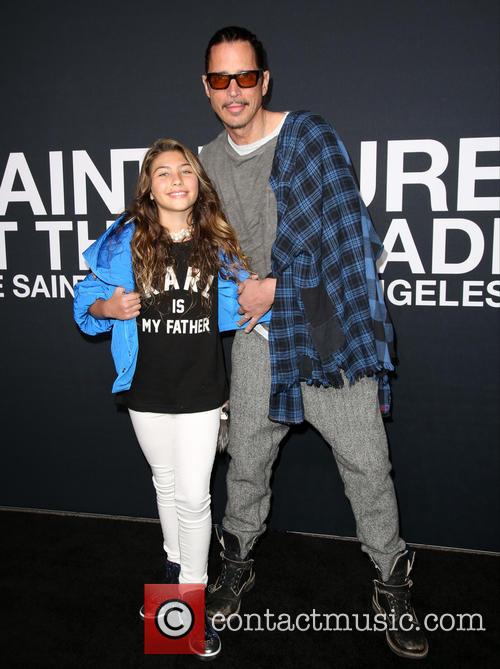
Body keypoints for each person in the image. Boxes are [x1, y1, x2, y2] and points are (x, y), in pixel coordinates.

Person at [199, 26, 428, 659]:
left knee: (366, 466)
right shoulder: (205, 163)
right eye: (221, 80)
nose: (234, 91)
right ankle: (236, 564)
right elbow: (199, 250)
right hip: (257, 339)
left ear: (263, 81)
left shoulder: (309, 138)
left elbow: (348, 238)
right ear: (207, 87)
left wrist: (277, 287)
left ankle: (392, 580)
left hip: (324, 329)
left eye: (245, 77)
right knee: (244, 464)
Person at [73, 137, 269, 660]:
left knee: (194, 497)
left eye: (185, 170)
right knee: (164, 483)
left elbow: (246, 301)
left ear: (198, 183)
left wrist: (273, 301)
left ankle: (189, 604)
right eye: (163, 173)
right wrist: (108, 308)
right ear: (148, 187)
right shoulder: (123, 242)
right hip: (145, 389)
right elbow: (82, 303)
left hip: (202, 390)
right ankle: (173, 568)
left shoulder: (216, 240)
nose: (176, 179)